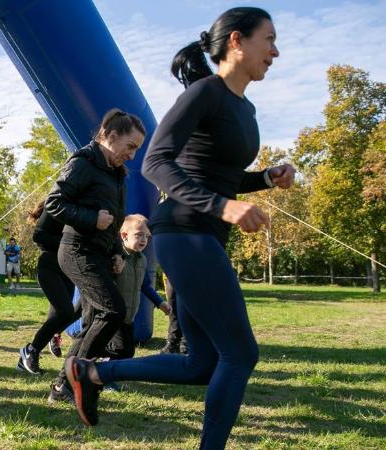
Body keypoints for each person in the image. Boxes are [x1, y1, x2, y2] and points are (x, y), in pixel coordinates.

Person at [64, 9, 295, 449]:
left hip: (202, 236)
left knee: (201, 364)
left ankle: (93, 371)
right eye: (269, 39)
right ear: (236, 41)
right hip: (184, 233)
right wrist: (223, 207)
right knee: (241, 354)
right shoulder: (205, 93)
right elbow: (154, 163)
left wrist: (266, 177)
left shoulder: (243, 107)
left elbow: (218, 175)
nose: (275, 51)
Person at [44, 109, 146, 402]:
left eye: (136, 149)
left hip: (100, 253)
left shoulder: (116, 174)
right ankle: (75, 378)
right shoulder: (83, 163)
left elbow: (115, 221)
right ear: (111, 136)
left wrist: (117, 252)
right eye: (130, 147)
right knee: (114, 310)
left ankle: (63, 386)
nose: (132, 155)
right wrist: (90, 218)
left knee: (93, 322)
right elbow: (54, 203)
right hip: (76, 250)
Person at [99, 215, 170, 366]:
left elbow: (145, 286)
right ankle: (101, 366)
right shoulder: (116, 258)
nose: (143, 239)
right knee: (120, 348)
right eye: (138, 235)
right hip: (114, 313)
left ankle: (104, 365)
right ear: (124, 236)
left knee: (128, 351)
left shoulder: (142, 259)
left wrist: (160, 302)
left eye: (146, 236)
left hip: (130, 315)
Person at [16, 201, 78, 375]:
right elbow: (39, 236)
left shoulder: (80, 211)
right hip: (49, 266)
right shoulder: (56, 208)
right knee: (65, 311)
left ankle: (53, 334)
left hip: (68, 268)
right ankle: (31, 350)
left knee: (74, 311)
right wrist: (68, 243)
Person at [159, 274, 187, 354]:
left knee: (186, 304)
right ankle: (173, 341)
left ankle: (185, 342)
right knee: (172, 300)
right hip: (172, 271)